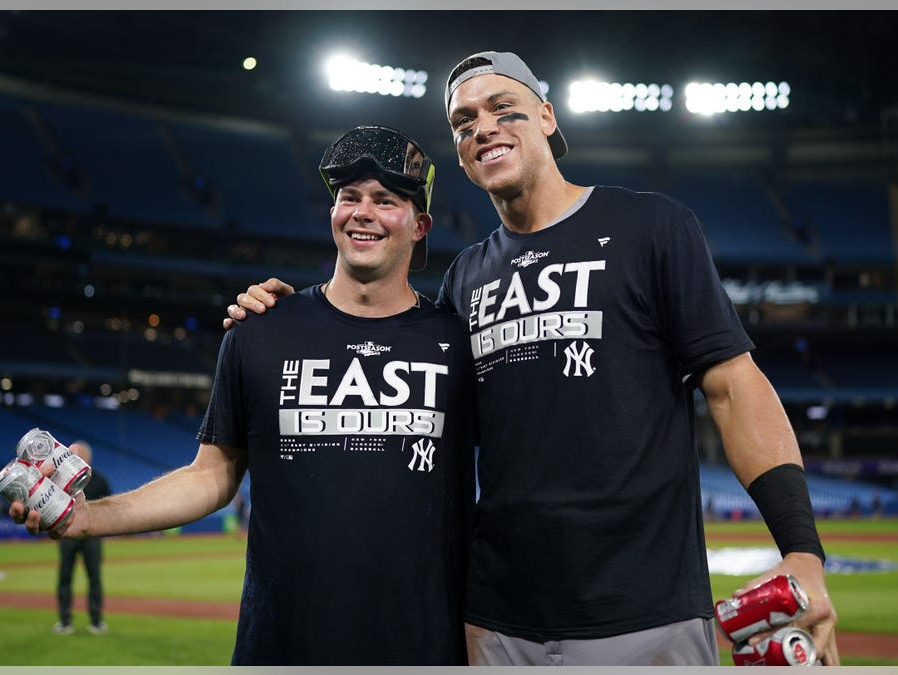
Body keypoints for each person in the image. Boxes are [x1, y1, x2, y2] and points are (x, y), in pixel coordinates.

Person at [226, 51, 839, 666]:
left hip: (644, 611)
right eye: (463, 123)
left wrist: (802, 551)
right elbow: (399, 377)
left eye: (502, 109)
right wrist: (292, 316)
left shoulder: (651, 226)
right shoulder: (464, 277)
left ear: (546, 117)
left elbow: (734, 388)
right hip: (498, 624)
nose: (482, 128)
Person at [14, 125, 476, 665]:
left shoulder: (457, 340)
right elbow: (210, 475)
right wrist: (88, 518)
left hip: (421, 650)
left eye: (385, 200)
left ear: (419, 224)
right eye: (348, 197)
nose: (362, 212)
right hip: (281, 650)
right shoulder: (260, 329)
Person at [53, 441, 112, 635]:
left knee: (94, 577)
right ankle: (64, 620)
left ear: (89, 459)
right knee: (65, 577)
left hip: (92, 536)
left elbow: (108, 506)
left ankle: (96, 620)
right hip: (68, 535)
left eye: (83, 456)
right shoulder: (61, 479)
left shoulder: (99, 480)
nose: (80, 459)